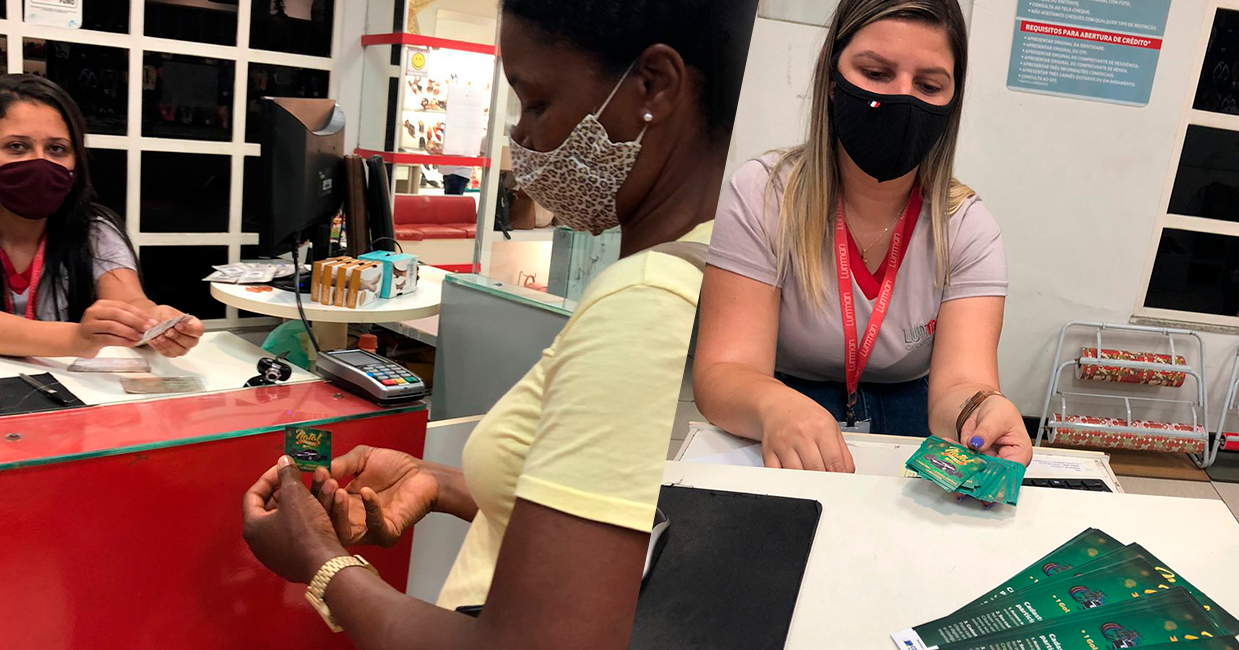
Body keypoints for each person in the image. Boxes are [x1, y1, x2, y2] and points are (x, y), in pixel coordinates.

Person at [241, 1, 756, 647]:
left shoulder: (644, 302)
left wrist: (319, 561)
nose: (525, 141)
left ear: (652, 85)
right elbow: (619, 523)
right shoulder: (730, 270)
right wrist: (440, 483)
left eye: (536, 103)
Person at [693, 0, 1033, 475]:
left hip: (912, 411)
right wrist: (774, 405)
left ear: (952, 101)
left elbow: (961, 382)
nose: (901, 97)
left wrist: (978, 412)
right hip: (781, 402)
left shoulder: (966, 225)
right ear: (832, 80)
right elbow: (723, 372)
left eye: (929, 85)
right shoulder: (764, 196)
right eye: (875, 73)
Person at [0, 74, 203, 359]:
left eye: (57, 149)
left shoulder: (92, 228)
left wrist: (154, 323)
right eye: (17, 146)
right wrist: (78, 338)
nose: (40, 162)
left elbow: (130, 300)